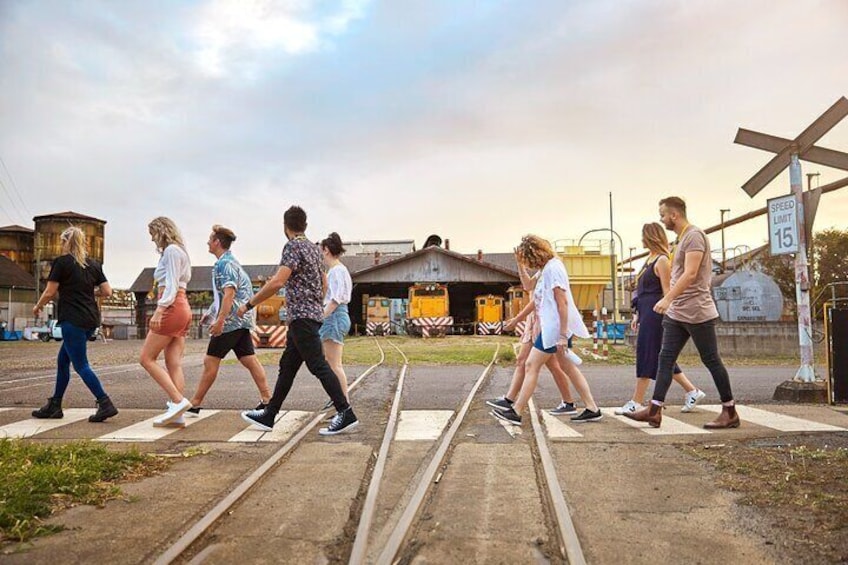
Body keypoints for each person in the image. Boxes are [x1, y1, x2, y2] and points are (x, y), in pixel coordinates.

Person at [239, 206, 358, 436]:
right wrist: (313, 302)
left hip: (301, 318)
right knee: (288, 367)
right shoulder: (314, 250)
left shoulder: (292, 246)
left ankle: (345, 412)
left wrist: (249, 304)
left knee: (319, 365)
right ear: (304, 224)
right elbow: (324, 284)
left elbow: (277, 282)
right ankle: (270, 414)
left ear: (286, 227)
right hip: (307, 316)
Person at [625, 197, 739, 429]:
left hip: (697, 310)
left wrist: (667, 298)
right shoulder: (681, 239)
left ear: (674, 215)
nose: (661, 219)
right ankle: (654, 411)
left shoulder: (694, 236)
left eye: (663, 215)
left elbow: (690, 274)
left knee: (711, 360)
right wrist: (672, 304)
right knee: (664, 359)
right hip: (678, 313)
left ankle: (730, 411)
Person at [491, 235, 602, 425]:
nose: (529, 263)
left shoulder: (554, 269)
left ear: (536, 255)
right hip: (553, 326)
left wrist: (562, 334)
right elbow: (531, 290)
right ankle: (592, 408)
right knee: (567, 367)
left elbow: (563, 302)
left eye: (528, 259)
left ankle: (516, 411)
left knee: (531, 365)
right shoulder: (546, 269)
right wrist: (519, 265)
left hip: (555, 328)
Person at [615, 223, 705, 415]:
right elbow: (642, 291)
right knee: (659, 357)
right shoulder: (650, 259)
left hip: (656, 314)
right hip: (646, 312)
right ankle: (692, 391)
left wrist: (668, 314)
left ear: (650, 237)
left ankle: (636, 401)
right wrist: (637, 314)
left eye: (643, 236)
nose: (641, 240)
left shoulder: (663, 260)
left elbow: (667, 290)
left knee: (647, 354)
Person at [31, 226, 118, 422]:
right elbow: (107, 291)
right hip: (90, 319)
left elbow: (50, 291)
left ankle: (105, 403)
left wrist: (38, 306)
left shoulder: (62, 263)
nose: (61, 245)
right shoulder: (94, 264)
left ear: (66, 242)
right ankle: (55, 405)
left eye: (62, 242)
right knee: (63, 361)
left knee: (81, 365)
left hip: (73, 319)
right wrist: (88, 292)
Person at [186, 225, 271, 415]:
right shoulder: (230, 262)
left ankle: (195, 403)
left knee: (210, 360)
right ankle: (267, 400)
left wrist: (221, 320)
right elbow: (222, 295)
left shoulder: (225, 264)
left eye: (210, 239)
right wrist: (211, 314)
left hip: (231, 321)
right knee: (249, 359)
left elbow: (229, 294)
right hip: (241, 319)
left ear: (217, 242)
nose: (207, 242)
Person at [140, 217, 193, 426]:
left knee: (146, 358)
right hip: (182, 306)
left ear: (161, 231)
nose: (153, 240)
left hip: (172, 306)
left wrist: (159, 310)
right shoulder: (182, 252)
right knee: (173, 362)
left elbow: (170, 285)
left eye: (153, 234)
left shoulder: (171, 251)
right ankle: (177, 412)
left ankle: (178, 401)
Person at [319, 232, 353, 407]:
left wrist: (320, 317)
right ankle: (338, 398)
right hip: (338, 316)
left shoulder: (336, 271)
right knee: (331, 363)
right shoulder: (340, 270)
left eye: (321, 251)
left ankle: (343, 403)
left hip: (334, 316)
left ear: (326, 250)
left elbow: (334, 300)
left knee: (334, 365)